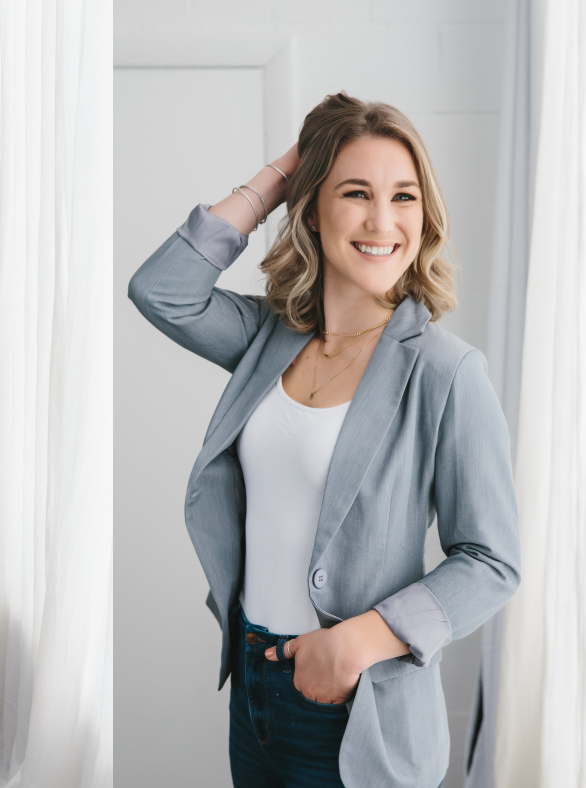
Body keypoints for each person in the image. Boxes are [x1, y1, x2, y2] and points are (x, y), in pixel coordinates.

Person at [128, 93, 521, 788]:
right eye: (355, 193)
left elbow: (491, 560)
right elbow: (162, 290)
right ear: (313, 208)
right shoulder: (270, 338)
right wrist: (281, 173)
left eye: (403, 197)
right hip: (252, 678)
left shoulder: (446, 372)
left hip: (358, 704)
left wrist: (357, 643)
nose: (382, 221)